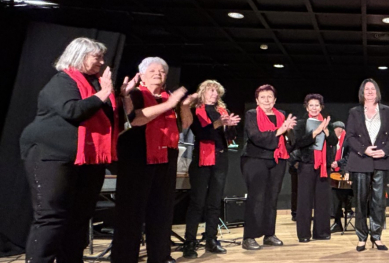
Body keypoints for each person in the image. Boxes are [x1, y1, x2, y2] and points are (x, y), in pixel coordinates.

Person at [20, 38, 129, 263]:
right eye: (96, 57)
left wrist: (123, 97)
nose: (101, 61)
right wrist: (104, 93)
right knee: (52, 217)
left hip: (87, 161)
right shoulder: (62, 81)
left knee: (79, 218)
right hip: (51, 154)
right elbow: (72, 111)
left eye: (102, 57)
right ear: (79, 57)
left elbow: (117, 122)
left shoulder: (96, 86)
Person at [112, 57, 195, 263]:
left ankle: (160, 256)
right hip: (137, 160)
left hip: (166, 159)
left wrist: (183, 106)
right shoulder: (135, 94)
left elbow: (184, 126)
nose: (158, 73)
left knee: (162, 212)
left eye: (162, 71)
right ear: (141, 75)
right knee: (131, 213)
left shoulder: (169, 97)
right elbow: (135, 119)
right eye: (153, 71)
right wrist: (169, 104)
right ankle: (124, 258)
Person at [182, 80, 240, 257]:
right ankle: (190, 242)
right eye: (211, 91)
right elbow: (200, 133)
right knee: (197, 202)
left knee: (215, 202)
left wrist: (230, 126)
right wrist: (218, 124)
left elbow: (230, 138)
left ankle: (211, 239)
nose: (215, 94)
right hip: (201, 159)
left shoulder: (222, 111)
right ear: (202, 92)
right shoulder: (195, 110)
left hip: (221, 158)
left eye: (217, 92)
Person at [240, 84, 297, 250]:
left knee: (272, 198)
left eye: (269, 97)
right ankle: (249, 237)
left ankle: (269, 234)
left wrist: (287, 132)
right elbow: (256, 137)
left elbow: (290, 140)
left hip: (277, 160)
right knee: (256, 198)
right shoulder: (252, 114)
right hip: (255, 159)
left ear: (275, 100)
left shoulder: (281, 115)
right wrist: (280, 131)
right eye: (262, 97)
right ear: (257, 100)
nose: (266, 100)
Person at [345, 79, 389, 251]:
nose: (369, 91)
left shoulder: (387, 110)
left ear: (377, 91)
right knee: (360, 200)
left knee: (379, 202)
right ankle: (361, 237)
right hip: (361, 160)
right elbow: (350, 136)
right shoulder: (354, 111)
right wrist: (364, 150)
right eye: (366, 89)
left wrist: (385, 150)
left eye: (372, 88)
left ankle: (377, 236)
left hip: (381, 160)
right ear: (362, 92)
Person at [290, 93, 335, 242]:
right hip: (307, 164)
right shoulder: (301, 123)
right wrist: (315, 132)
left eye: (317, 105)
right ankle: (303, 234)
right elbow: (299, 143)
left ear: (321, 107)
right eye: (311, 105)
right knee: (304, 200)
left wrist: (327, 131)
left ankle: (321, 232)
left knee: (323, 200)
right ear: (307, 107)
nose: (314, 108)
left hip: (324, 165)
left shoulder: (327, 122)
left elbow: (334, 142)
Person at [330, 121, 353, 233]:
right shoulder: (336, 141)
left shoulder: (348, 140)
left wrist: (339, 163)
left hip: (349, 174)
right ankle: (336, 221)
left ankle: (338, 218)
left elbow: (350, 157)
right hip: (338, 173)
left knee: (336, 193)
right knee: (333, 191)